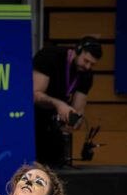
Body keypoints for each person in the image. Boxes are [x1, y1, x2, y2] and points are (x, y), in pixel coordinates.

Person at [33, 36, 102, 166]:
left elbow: (78, 109)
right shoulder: (49, 56)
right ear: (77, 50)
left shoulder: (86, 74)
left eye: (92, 64)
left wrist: (74, 122)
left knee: (56, 167)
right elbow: (34, 95)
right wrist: (59, 104)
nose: (87, 66)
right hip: (32, 119)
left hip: (54, 123)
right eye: (86, 60)